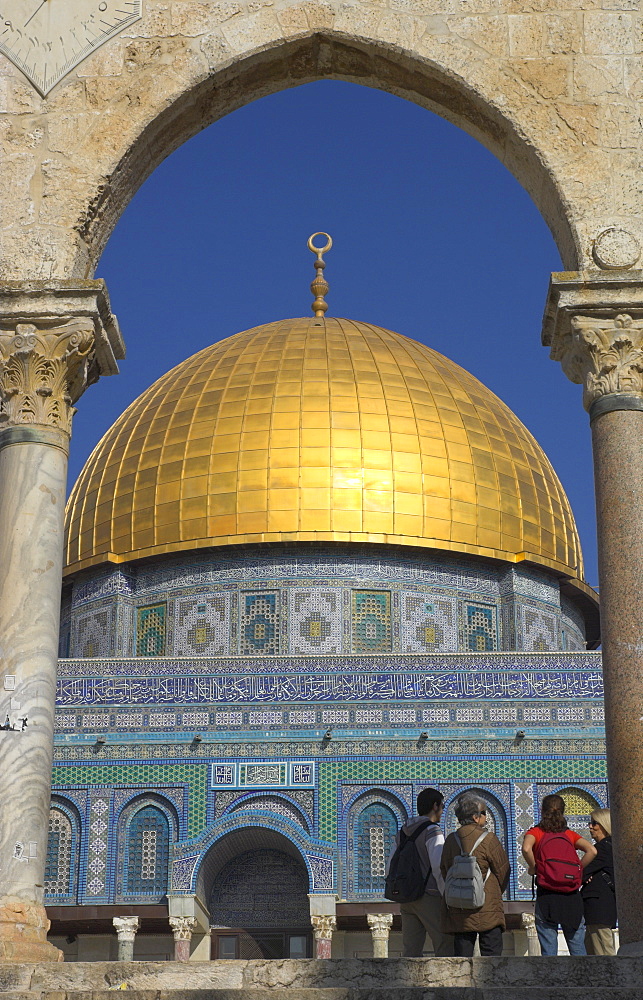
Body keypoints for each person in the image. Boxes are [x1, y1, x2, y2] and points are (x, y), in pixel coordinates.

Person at [522, 794, 597, 956]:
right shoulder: (569, 834)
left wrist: (534, 867)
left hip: (547, 896)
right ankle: (581, 979)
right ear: (563, 812)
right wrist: (579, 869)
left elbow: (526, 848)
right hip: (571, 896)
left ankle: (552, 981)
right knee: (577, 947)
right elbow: (592, 850)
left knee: (549, 949)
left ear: (542, 811)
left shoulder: (536, 832)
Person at [440, 792, 510, 956]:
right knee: (491, 959)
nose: (486, 816)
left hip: (459, 907)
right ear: (476, 817)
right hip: (488, 907)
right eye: (484, 813)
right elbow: (503, 870)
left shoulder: (451, 840)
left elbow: (444, 869)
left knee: (462, 959)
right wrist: (494, 891)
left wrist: (460, 889)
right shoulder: (489, 839)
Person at [391, 787, 454, 956]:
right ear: (435, 806)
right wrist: (445, 896)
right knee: (444, 942)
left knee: (411, 949)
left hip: (406, 897)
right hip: (428, 896)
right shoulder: (432, 831)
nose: (442, 810)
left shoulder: (402, 832)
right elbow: (438, 866)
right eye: (442, 806)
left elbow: (392, 863)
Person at [582, 808, 617, 955]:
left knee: (603, 954)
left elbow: (581, 869)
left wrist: (585, 874)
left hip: (599, 908)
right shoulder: (611, 846)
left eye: (594, 823)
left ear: (604, 824)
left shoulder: (603, 848)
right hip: (599, 909)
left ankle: (614, 978)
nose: (590, 826)